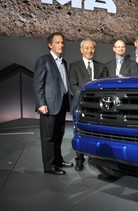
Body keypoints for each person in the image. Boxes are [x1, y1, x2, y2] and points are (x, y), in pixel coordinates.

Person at [33, 32, 73, 175]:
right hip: (48, 106)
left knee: (59, 134)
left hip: (61, 104)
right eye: (57, 42)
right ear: (50, 45)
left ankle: (58, 160)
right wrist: (41, 103)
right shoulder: (43, 60)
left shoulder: (64, 61)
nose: (61, 45)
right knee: (48, 137)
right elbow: (38, 84)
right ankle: (49, 166)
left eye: (62, 42)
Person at [69, 38, 108, 171]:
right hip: (80, 106)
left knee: (99, 133)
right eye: (86, 48)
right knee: (79, 132)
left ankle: (99, 159)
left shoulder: (101, 67)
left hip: (98, 108)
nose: (89, 50)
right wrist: (87, 97)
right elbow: (73, 86)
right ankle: (79, 160)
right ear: (81, 50)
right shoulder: (74, 66)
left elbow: (105, 87)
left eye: (92, 48)